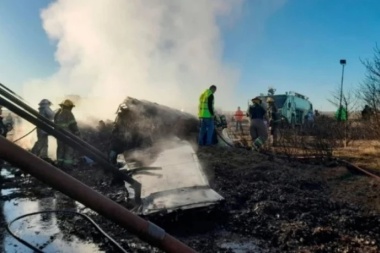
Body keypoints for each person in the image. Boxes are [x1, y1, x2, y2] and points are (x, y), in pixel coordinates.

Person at [54, 99, 80, 169]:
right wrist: (77, 132)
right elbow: (73, 124)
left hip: (58, 134)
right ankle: (67, 166)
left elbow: (55, 123)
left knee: (60, 149)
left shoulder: (58, 113)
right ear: (69, 107)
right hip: (67, 135)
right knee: (69, 150)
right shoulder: (68, 113)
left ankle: (59, 164)